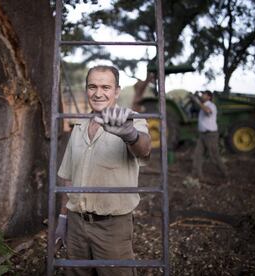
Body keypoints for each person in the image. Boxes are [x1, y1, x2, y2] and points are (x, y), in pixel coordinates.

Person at [55, 65, 151, 276]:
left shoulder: (131, 119)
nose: (98, 93)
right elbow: (68, 177)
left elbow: (144, 148)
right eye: (92, 87)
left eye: (105, 87)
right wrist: (63, 219)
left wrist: (130, 135)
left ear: (117, 91)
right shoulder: (79, 124)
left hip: (112, 228)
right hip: (76, 225)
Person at [190, 90, 228, 183]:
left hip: (210, 135)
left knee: (214, 155)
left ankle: (225, 173)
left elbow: (207, 111)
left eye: (204, 94)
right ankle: (197, 175)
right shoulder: (203, 105)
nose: (202, 95)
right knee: (197, 154)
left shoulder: (211, 105)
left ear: (209, 97)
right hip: (203, 135)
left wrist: (197, 101)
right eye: (202, 94)